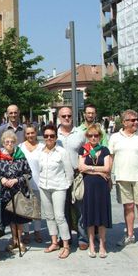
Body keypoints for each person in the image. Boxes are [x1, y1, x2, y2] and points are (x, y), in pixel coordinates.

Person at [108, 109, 138, 251]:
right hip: (122, 177)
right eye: (132, 120)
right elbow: (110, 157)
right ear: (124, 122)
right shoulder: (115, 137)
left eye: (136, 120)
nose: (136, 122)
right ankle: (129, 234)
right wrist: (108, 176)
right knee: (128, 207)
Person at [38, 124, 74, 259]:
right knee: (49, 216)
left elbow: (69, 172)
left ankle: (66, 245)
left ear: (56, 137)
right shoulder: (40, 151)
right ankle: (54, 242)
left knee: (59, 216)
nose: (49, 138)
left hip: (59, 187)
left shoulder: (62, 152)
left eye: (52, 136)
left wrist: (66, 185)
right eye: (46, 136)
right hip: (44, 186)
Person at [0, 130, 32, 255]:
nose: (9, 144)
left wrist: (16, 180)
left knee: (19, 218)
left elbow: (28, 173)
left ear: (15, 142)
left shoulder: (21, 155)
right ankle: (14, 239)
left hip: (19, 191)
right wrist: (2, 179)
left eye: (11, 142)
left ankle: (20, 240)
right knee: (10, 217)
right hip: (6, 192)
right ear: (3, 143)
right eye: (7, 142)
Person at [78, 123, 112, 258]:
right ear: (87, 136)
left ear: (100, 136)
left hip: (102, 188)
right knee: (90, 215)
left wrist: (89, 168)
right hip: (88, 186)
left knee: (102, 215)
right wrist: (98, 170)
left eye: (96, 135)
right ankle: (91, 244)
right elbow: (81, 167)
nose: (93, 138)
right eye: (90, 135)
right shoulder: (83, 150)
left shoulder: (105, 150)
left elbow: (107, 168)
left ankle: (103, 244)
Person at [56, 106, 87, 250]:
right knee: (62, 209)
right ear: (59, 118)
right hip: (60, 175)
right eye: (64, 116)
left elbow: (87, 153)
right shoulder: (54, 134)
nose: (67, 118)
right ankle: (65, 237)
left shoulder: (80, 134)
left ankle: (83, 237)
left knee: (79, 208)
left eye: (69, 115)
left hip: (76, 175)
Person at [0, 104, 27, 236]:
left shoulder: (24, 128)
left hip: (20, 164)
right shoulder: (2, 128)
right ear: (7, 114)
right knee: (1, 202)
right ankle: (1, 225)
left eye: (15, 112)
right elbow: (1, 148)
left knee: (20, 204)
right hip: (6, 166)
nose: (13, 115)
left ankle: (22, 233)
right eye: (11, 113)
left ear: (18, 112)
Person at [19, 124, 44, 243]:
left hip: (39, 182)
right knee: (26, 209)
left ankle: (37, 231)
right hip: (24, 183)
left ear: (36, 133)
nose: (30, 135)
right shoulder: (20, 147)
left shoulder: (42, 147)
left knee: (37, 208)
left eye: (32, 133)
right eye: (28, 133)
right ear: (25, 134)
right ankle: (26, 232)